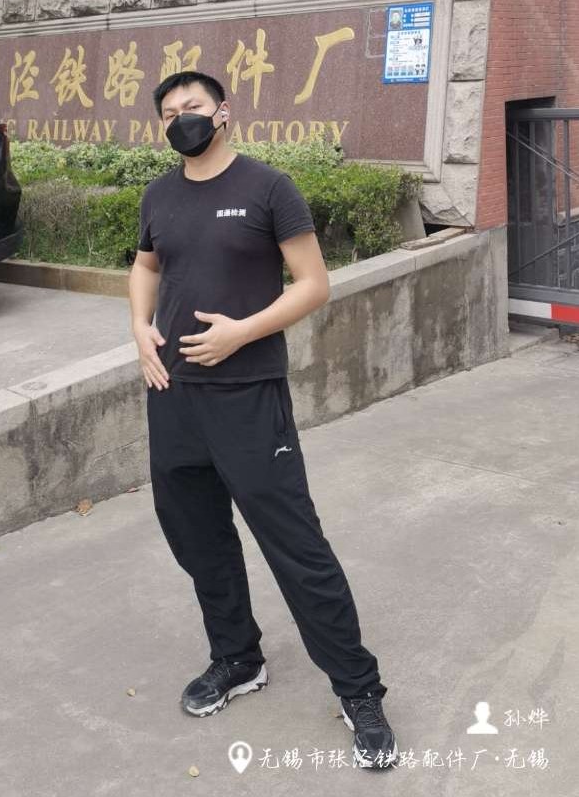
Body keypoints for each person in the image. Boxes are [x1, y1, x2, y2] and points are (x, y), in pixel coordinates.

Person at [128, 70, 398, 770]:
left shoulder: (268, 188)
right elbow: (146, 266)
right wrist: (139, 329)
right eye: (168, 113)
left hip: (248, 395)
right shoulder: (159, 195)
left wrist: (240, 333)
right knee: (199, 539)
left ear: (223, 111)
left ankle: (358, 689)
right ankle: (238, 658)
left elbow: (314, 284)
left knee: (295, 545)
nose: (181, 119)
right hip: (173, 396)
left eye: (191, 106)